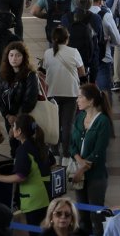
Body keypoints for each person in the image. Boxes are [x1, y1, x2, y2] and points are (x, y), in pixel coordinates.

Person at [0, 113, 52, 233]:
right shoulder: (39, 144)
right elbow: (52, 162)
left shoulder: (23, 150)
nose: (11, 129)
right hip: (45, 195)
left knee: (35, 231)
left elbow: (20, 176)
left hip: (33, 200)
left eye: (13, 126)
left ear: (19, 131)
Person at [68, 84, 113, 235]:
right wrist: (78, 160)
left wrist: (82, 169)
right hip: (80, 173)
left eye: (80, 97)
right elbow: (72, 144)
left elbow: (98, 152)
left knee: (96, 214)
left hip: (96, 176)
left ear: (91, 101)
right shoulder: (80, 117)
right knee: (82, 215)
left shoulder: (103, 122)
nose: (77, 100)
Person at [43, 27, 85, 158]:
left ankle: (54, 152)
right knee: (68, 125)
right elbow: (82, 72)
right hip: (71, 93)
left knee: (54, 124)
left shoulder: (48, 53)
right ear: (67, 39)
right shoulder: (74, 52)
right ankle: (67, 153)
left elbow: (43, 71)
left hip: (52, 93)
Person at [0, 42, 39, 150]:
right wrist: (7, 116)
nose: (14, 58)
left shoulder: (30, 75)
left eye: (18, 55)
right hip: (9, 118)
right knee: (13, 145)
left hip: (24, 117)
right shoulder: (3, 75)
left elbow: (30, 100)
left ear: (24, 57)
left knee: (25, 146)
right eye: (11, 55)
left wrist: (16, 119)